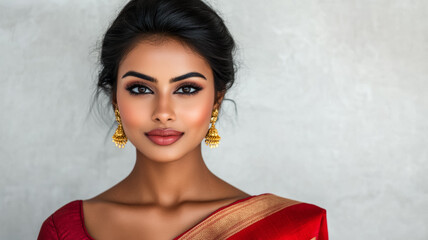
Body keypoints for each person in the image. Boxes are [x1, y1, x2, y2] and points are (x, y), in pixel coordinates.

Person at [37, 0, 328, 239]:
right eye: (140, 89)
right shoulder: (64, 231)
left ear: (217, 98)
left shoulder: (291, 230)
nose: (163, 111)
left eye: (186, 89)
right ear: (115, 98)